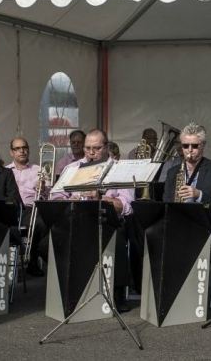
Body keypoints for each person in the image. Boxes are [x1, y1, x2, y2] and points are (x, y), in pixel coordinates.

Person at [51, 129, 135, 310]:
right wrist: (71, 199)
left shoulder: (119, 169)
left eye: (96, 148)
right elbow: (55, 196)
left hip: (106, 221)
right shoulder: (72, 168)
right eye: (87, 148)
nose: (91, 152)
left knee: (118, 237)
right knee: (48, 242)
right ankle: (68, 290)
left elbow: (127, 206)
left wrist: (102, 199)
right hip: (77, 220)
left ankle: (118, 293)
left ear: (106, 147)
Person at [163, 122, 211, 210]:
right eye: (185, 146)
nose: (190, 150)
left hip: (205, 218)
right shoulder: (172, 172)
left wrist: (200, 195)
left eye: (195, 146)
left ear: (203, 145)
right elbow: (166, 203)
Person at [5, 137, 48, 276]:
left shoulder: (39, 170)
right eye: (17, 148)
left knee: (40, 223)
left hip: (30, 209)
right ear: (11, 152)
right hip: (11, 209)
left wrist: (43, 189)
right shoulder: (5, 171)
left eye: (24, 147)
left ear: (28, 150)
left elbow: (48, 195)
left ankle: (32, 260)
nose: (22, 151)